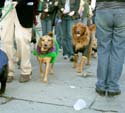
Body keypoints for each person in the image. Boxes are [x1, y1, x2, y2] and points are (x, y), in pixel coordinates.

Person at [95, 0, 125, 96]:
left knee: (103, 49)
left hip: (103, 9)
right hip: (122, 8)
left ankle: (101, 85)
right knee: (118, 49)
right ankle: (113, 87)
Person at [0, 0, 34, 83]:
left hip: (23, 9)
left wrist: (20, 1)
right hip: (6, 8)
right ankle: (9, 71)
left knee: (22, 40)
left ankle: (26, 70)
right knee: (6, 41)